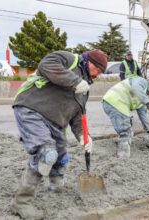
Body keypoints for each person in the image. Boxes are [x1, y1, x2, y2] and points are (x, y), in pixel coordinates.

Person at [11, 49, 107, 219]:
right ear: (90, 62)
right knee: (46, 154)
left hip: (55, 123)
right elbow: (45, 65)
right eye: (98, 70)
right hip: (32, 109)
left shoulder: (84, 88)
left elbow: (77, 115)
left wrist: (84, 136)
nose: (98, 75)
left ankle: (55, 190)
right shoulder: (69, 59)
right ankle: (21, 203)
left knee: (62, 158)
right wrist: (75, 81)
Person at [102, 76, 149, 158]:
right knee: (125, 132)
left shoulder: (142, 95)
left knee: (129, 131)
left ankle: (123, 147)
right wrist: (147, 101)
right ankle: (123, 157)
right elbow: (136, 87)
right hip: (115, 102)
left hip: (114, 104)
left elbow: (143, 114)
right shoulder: (142, 81)